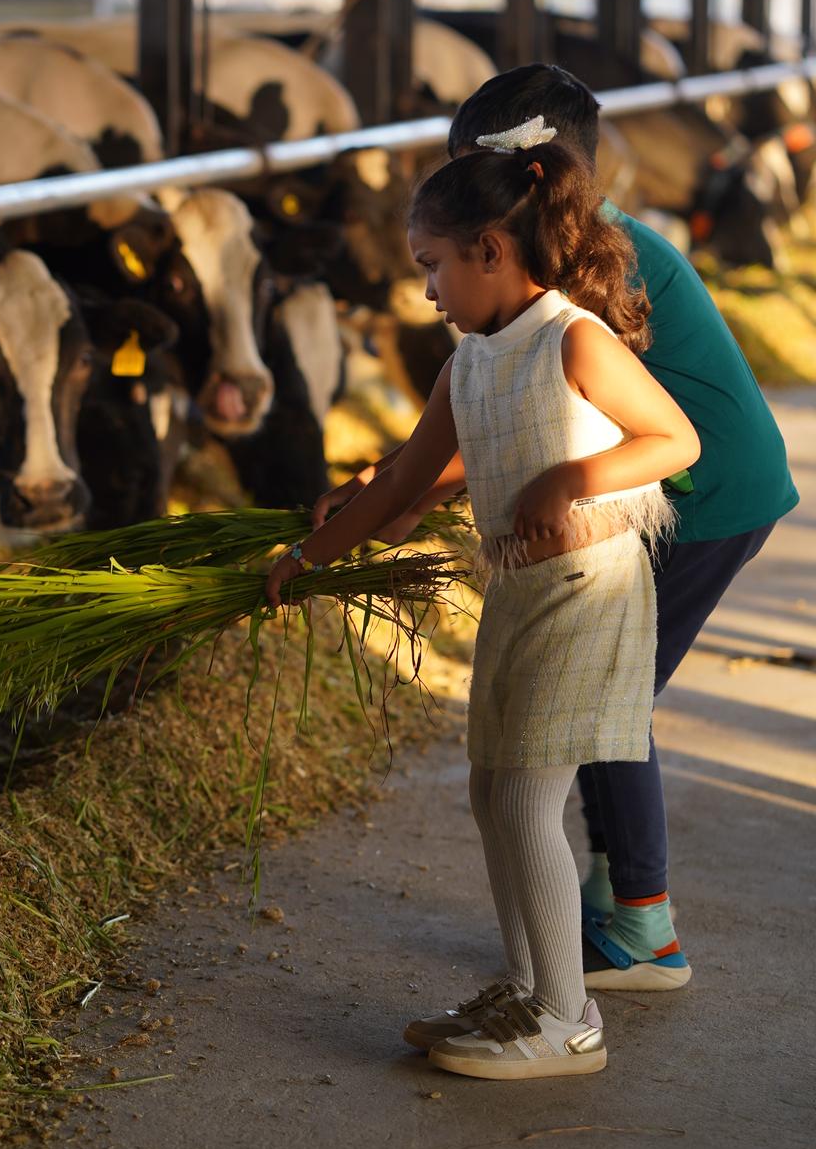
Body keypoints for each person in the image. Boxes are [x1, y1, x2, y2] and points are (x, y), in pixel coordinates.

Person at [314, 66, 798, 995]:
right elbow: (499, 416)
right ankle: (614, 897)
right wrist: (395, 483)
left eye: (473, 177)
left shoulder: (586, 261)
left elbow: (549, 414)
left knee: (606, 700)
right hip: (660, 489)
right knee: (598, 702)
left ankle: (644, 926)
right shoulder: (559, 251)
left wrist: (408, 490)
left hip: (706, 494)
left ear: (522, 181)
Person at [266, 138, 701, 1081]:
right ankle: (528, 991)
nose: (427, 291)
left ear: (491, 251)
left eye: (433, 265)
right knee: (488, 793)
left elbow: (675, 440)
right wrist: (306, 557)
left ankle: (568, 1021)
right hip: (518, 591)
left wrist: (572, 477)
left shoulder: (572, 338)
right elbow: (404, 484)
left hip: (590, 592)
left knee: (524, 798)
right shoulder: (466, 365)